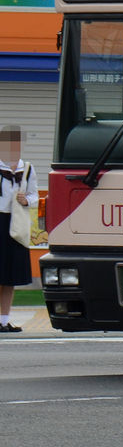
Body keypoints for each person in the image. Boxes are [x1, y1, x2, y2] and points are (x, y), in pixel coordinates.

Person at [0, 125, 38, 333]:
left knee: (9, 277)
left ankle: (4, 320)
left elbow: (34, 196)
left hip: (15, 225)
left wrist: (26, 200)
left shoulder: (28, 169)